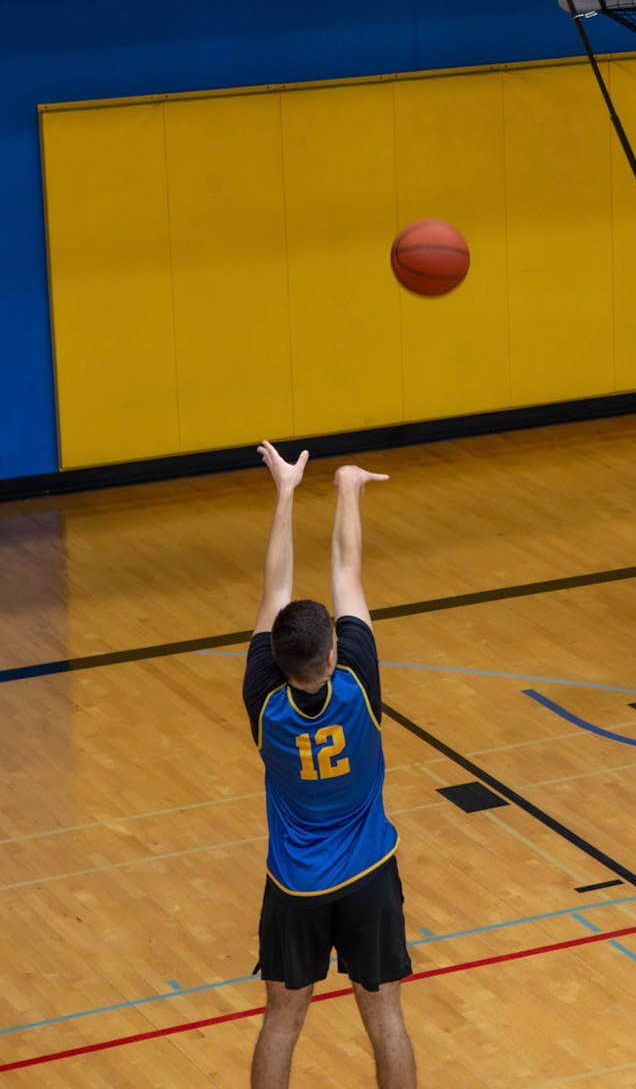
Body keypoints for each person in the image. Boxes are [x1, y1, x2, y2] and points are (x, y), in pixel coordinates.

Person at [242, 440, 417, 1089]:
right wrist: (347, 485)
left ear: (277, 656)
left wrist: (286, 491)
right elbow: (347, 569)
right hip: (368, 875)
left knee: (281, 1023)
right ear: (334, 653)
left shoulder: (263, 700)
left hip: (295, 883)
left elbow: (276, 586)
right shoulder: (359, 686)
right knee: (386, 1019)